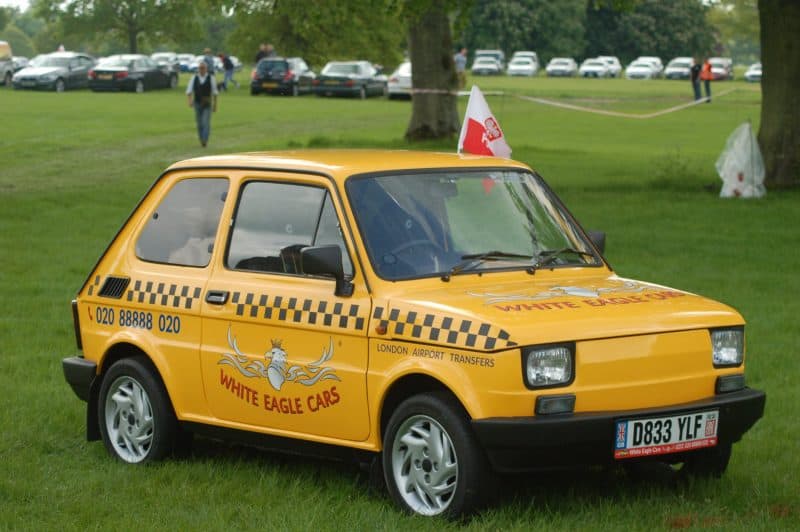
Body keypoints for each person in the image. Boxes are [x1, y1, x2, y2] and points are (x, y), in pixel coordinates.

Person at [186, 60, 218, 147]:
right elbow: (189, 91)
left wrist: (215, 105)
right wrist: (190, 101)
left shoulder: (211, 78)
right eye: (200, 68)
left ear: (206, 69)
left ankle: (205, 140)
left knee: (206, 122)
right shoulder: (194, 78)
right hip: (197, 103)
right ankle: (201, 139)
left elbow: (215, 93)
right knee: (199, 123)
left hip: (207, 103)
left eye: (203, 68)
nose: (201, 70)